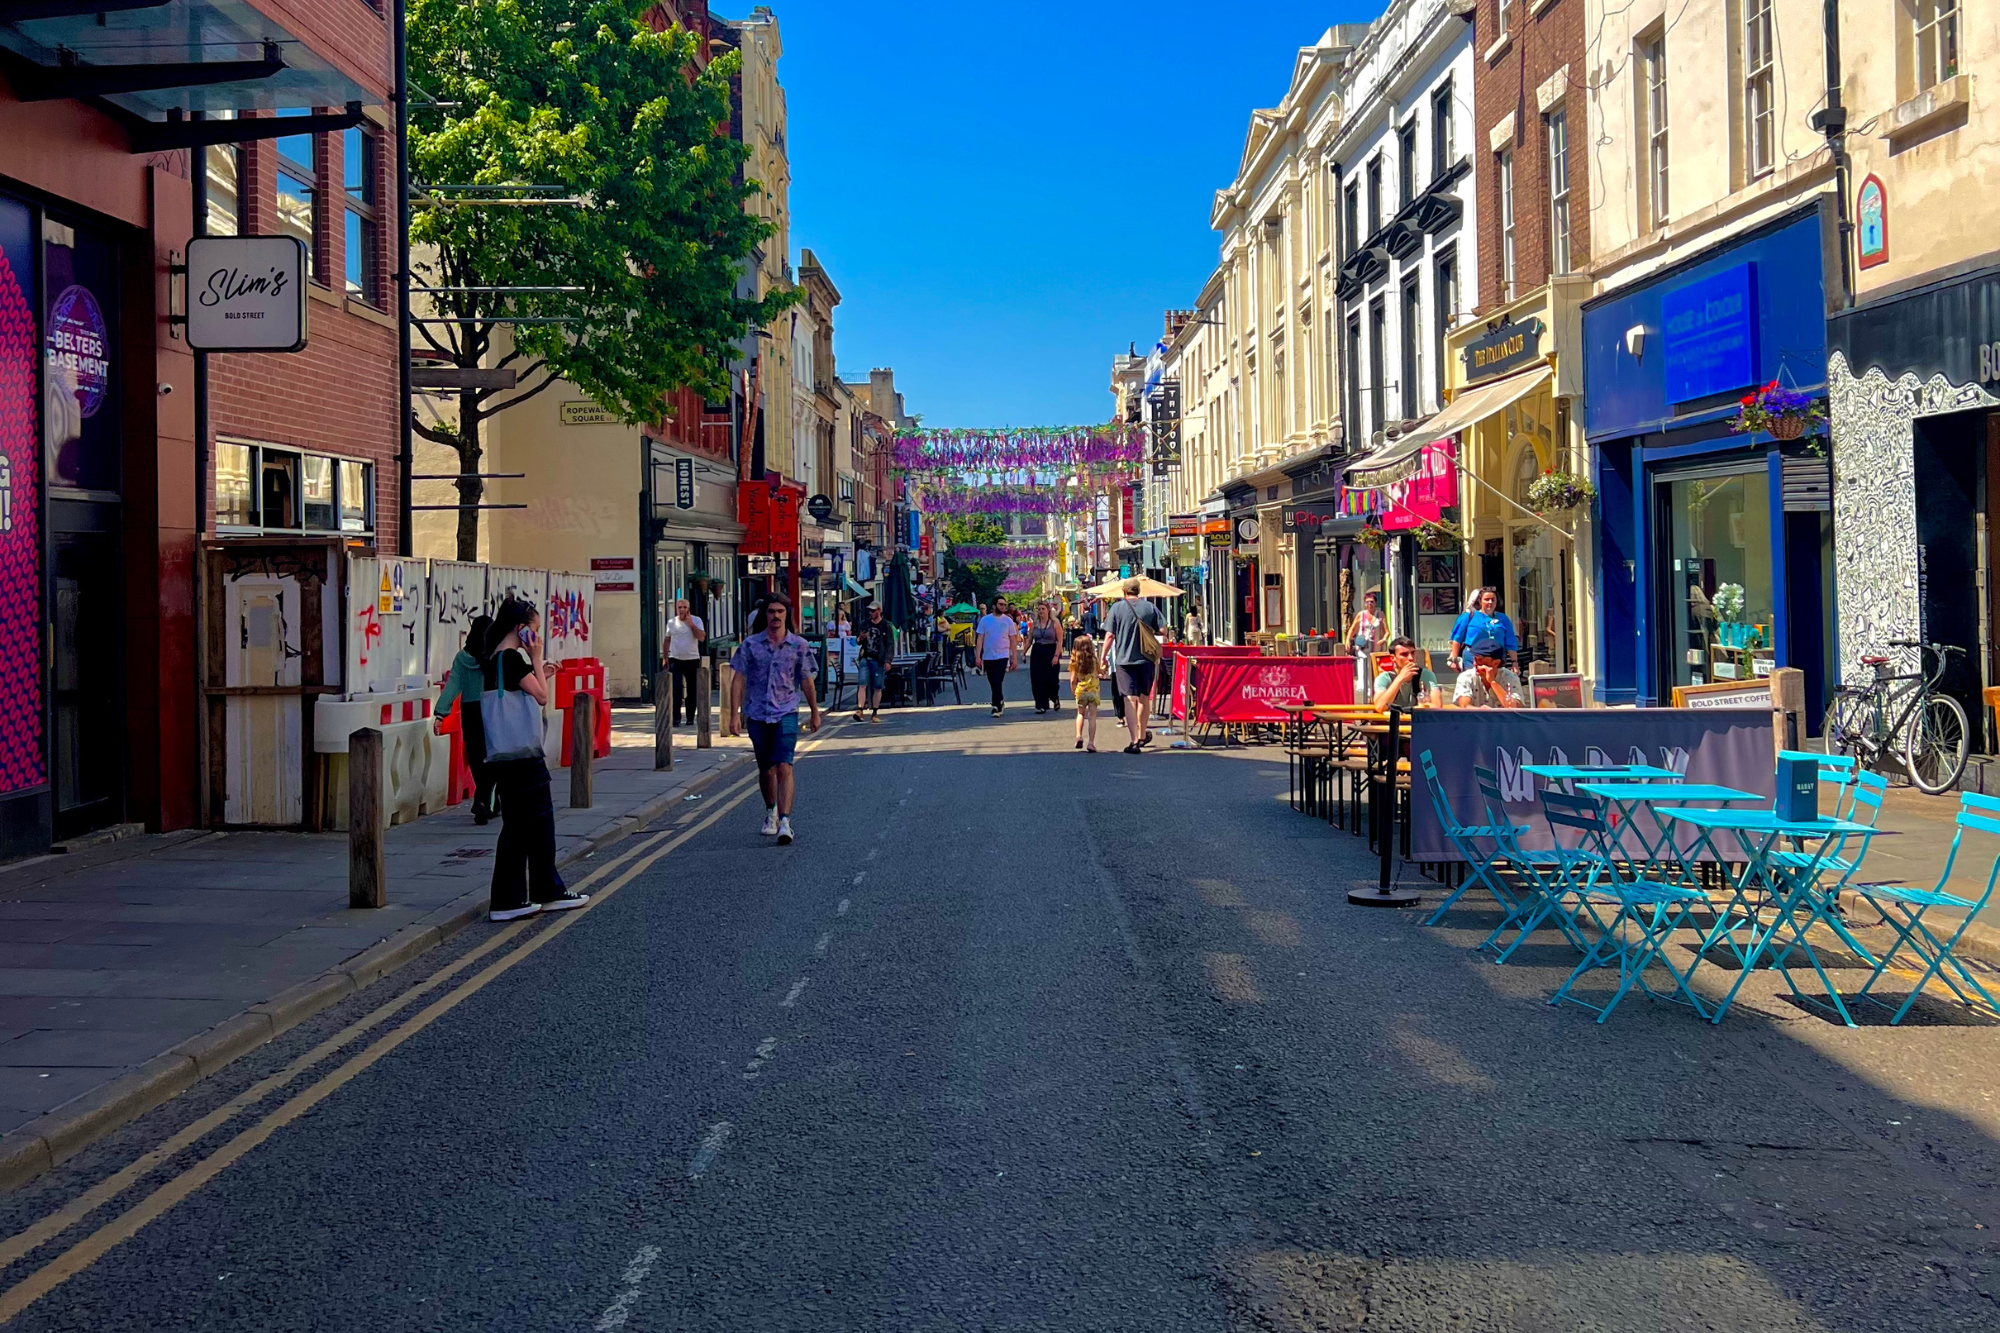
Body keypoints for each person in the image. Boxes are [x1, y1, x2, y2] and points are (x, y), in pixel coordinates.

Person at [481, 598, 588, 921]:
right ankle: (525, 896)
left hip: (506, 756)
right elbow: (542, 698)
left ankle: (530, 893)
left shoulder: (496, 660)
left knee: (523, 825)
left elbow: (529, 692)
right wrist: (537, 657)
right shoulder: (512, 658)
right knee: (535, 823)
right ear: (521, 629)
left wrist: (541, 670)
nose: (538, 637)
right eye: (535, 630)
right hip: (522, 757)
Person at [729, 596, 822, 845]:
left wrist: (814, 711)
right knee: (765, 769)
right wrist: (734, 715)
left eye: (781, 611)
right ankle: (770, 812)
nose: (776, 616)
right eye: (771, 611)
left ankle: (785, 821)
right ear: (765, 614)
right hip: (757, 714)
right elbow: (737, 678)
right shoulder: (750, 645)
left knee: (784, 766)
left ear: (786, 614)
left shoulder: (798, 645)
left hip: (787, 712)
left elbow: (806, 679)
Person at [435, 614, 497, 824]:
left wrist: (440, 713)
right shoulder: (494, 656)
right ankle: (483, 798)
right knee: (493, 756)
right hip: (491, 709)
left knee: (476, 757)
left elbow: (452, 685)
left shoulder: (462, 657)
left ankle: (485, 799)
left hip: (470, 711)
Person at [1105, 577, 1164, 753]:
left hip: (1124, 660)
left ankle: (1134, 740)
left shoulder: (1116, 608)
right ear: (1139, 591)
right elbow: (1163, 630)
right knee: (1144, 698)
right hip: (1146, 659)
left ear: (1124, 591)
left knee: (1130, 700)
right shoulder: (1150, 607)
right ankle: (1143, 733)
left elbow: (1109, 636)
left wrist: (1102, 657)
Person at [1448, 587, 1518, 671]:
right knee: (1474, 682)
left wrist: (1514, 662)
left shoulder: (1503, 618)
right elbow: (1457, 639)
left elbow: (1510, 642)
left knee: (1493, 682)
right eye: (1486, 599)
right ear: (1480, 601)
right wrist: (1454, 660)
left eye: (1493, 599)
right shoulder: (1469, 616)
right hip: (1473, 658)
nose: (1490, 602)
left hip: (1496, 658)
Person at [662, 598, 707, 728]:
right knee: (676, 689)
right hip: (676, 658)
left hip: (692, 659)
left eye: (684, 607)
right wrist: (665, 657)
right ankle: (676, 718)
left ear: (689, 608)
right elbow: (667, 640)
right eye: (680, 607)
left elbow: (702, 637)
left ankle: (690, 717)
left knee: (692, 690)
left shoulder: (696, 620)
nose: (682, 610)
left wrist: (691, 624)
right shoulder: (671, 623)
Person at [973, 597, 1020, 716]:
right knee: (992, 680)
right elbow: (980, 639)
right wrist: (978, 656)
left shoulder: (1008, 621)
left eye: (1004, 604)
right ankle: (1000, 700)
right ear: (994, 606)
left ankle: (996, 705)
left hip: (1003, 655)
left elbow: (1013, 640)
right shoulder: (985, 620)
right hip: (988, 655)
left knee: (997, 679)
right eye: (1001, 604)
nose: (1003, 607)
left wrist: (1014, 658)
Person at [1371, 635, 1440, 710]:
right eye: (1404, 654)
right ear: (1392, 658)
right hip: (1393, 720)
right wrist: (1400, 679)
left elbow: (1437, 705)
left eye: (1413, 653)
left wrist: (1411, 710)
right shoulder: (1384, 678)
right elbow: (1380, 707)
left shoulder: (1425, 675)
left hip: (1417, 720)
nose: (1410, 658)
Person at [1453, 638, 1526, 708]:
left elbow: (1514, 707)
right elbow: (1464, 706)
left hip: (1502, 720)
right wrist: (1482, 712)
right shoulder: (1466, 677)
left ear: (1496, 663)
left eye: (1480, 660)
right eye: (1474, 659)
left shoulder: (1510, 678)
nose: (1475, 663)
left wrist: (1493, 682)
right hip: (1476, 720)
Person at [852, 601, 893, 724]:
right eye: (870, 610)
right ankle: (860, 710)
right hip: (865, 657)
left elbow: (890, 645)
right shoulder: (865, 624)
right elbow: (858, 641)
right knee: (862, 684)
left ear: (879, 611)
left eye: (873, 611)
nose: (871, 613)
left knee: (877, 687)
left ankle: (874, 713)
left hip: (878, 660)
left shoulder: (886, 625)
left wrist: (888, 661)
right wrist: (860, 638)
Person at [1027, 601, 1064, 714]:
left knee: (1051, 679)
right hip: (1037, 651)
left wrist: (1056, 655)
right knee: (1037, 679)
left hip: (1050, 650)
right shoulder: (1035, 624)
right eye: (1039, 609)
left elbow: (1059, 641)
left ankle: (1054, 697)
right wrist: (1023, 652)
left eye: (1043, 609)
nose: (1041, 611)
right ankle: (1041, 705)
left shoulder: (1055, 623)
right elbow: (1029, 639)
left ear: (1048, 610)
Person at [1070, 633, 1103, 752]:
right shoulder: (1094, 660)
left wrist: (1074, 690)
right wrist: (1104, 669)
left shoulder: (1074, 662)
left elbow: (1073, 679)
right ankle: (1091, 743)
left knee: (1080, 714)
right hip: (1093, 691)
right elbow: (1100, 672)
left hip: (1081, 691)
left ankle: (1078, 736)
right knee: (1092, 717)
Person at [1344, 590, 1385, 656]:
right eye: (1367, 602)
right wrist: (1348, 640)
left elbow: (1387, 632)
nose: (1369, 604)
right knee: (1362, 665)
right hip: (1361, 648)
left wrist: (1384, 639)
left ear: (1375, 603)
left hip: (1376, 649)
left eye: (1371, 602)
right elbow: (1352, 629)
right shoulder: (1361, 614)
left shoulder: (1380, 615)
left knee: (1373, 666)